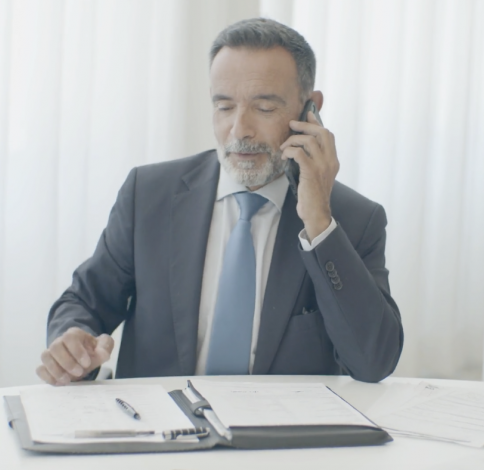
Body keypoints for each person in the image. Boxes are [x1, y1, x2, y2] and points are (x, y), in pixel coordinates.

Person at [37, 18, 403, 386]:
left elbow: (374, 362)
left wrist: (319, 223)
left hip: (281, 424)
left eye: (264, 108)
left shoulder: (354, 219)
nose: (239, 130)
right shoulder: (148, 194)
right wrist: (73, 342)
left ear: (310, 109)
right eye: (225, 107)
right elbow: (84, 302)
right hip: (158, 419)